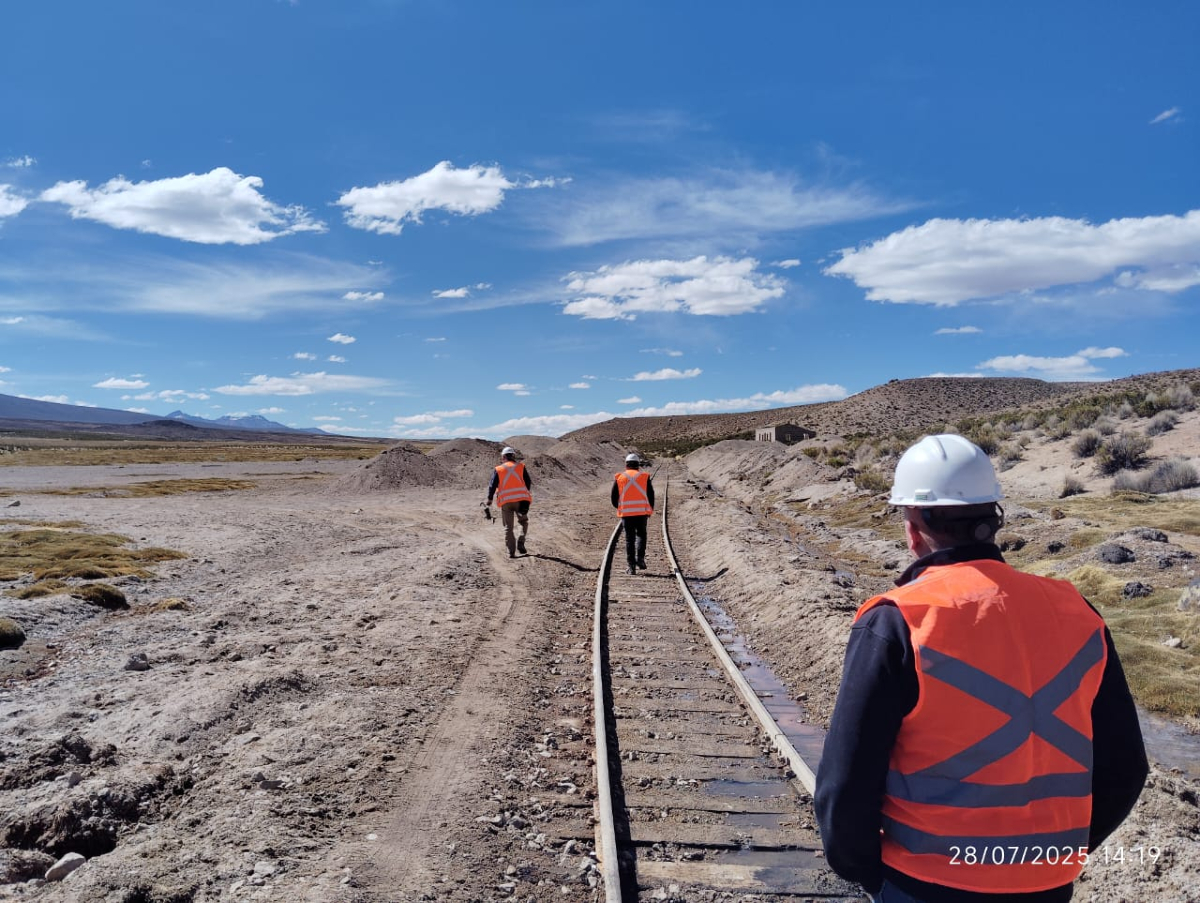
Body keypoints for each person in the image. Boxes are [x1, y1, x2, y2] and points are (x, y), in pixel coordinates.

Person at [814, 434, 1147, 903]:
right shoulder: (1077, 611)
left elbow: (846, 784)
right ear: (994, 520)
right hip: (1047, 887)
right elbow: (1127, 767)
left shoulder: (899, 620)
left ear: (912, 528)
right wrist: (1052, 857)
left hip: (924, 884)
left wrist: (869, 874)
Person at [612, 452, 654, 576]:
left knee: (629, 539)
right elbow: (651, 495)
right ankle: (640, 558)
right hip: (641, 513)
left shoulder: (620, 477)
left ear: (626, 465)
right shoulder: (644, 477)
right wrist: (649, 510)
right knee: (641, 535)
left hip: (626, 514)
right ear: (638, 465)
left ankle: (631, 567)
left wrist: (621, 507)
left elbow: (614, 497)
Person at [486, 446, 532, 559]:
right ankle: (521, 542)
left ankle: (511, 552)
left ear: (504, 456)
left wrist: (490, 499)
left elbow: (492, 485)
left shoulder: (499, 469)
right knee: (523, 521)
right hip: (521, 501)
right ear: (513, 456)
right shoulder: (521, 466)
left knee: (508, 527)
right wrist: (524, 493)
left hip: (506, 501)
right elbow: (528, 482)